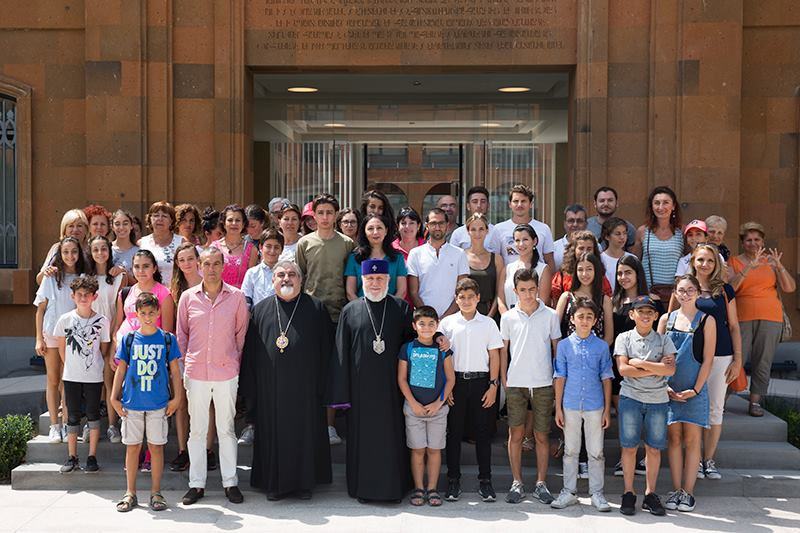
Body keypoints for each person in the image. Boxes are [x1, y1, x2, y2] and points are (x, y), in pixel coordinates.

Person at [241, 261, 333, 500]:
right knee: (273, 436)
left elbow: (327, 351)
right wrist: (251, 391)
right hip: (270, 389)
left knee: (304, 435)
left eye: (292, 274)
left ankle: (304, 484)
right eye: (280, 275)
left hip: (306, 389)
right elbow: (251, 353)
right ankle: (274, 485)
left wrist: (324, 386)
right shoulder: (260, 310)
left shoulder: (316, 308)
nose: (286, 279)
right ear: (272, 280)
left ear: (301, 280)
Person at [328, 259, 417, 502]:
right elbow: (340, 354)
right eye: (370, 279)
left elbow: (415, 344)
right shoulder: (350, 310)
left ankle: (394, 488)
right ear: (362, 281)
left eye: (380, 279)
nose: (375, 283)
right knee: (363, 441)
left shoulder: (401, 308)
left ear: (388, 280)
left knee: (392, 439)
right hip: (360, 391)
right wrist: (342, 394)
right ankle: (362, 488)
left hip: (393, 390)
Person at [178, 247, 248, 506]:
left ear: (223, 266)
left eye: (216, 264)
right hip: (196, 372)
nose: (211, 269)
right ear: (200, 266)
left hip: (226, 372)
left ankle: (230, 482)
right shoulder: (188, 297)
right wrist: (186, 365)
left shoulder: (237, 297)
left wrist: (233, 363)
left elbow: (241, 336)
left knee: (226, 429)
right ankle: (196, 485)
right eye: (206, 264)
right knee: (197, 430)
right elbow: (181, 335)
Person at [110, 292, 183, 512]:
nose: (148, 317)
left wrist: (177, 397)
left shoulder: (167, 339)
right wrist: (114, 397)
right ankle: (130, 492)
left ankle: (156, 492)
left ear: (159, 312)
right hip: (132, 402)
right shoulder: (129, 339)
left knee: (156, 447)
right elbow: (121, 370)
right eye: (143, 313)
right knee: (132, 448)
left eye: (151, 312)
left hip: (158, 403)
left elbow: (175, 371)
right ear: (136, 314)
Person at [500, 268, 561, 505]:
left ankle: (540, 483)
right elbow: (503, 350)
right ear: (515, 291)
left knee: (541, 435)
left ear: (538, 288)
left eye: (532, 289)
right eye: (523, 290)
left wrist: (556, 377)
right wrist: (503, 378)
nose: (528, 294)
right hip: (516, 382)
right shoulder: (508, 317)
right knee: (515, 434)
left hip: (543, 382)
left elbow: (556, 348)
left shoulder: (550, 315)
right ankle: (517, 482)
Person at [439, 278, 504, 503]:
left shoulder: (488, 324)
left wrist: (494, 385)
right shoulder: (447, 324)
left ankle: (485, 481)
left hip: (481, 383)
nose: (466, 301)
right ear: (456, 299)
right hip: (455, 381)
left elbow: (494, 355)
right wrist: (447, 387)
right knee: (454, 433)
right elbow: (442, 357)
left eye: (470, 297)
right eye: (462, 297)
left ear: (478, 298)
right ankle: (453, 480)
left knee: (483, 434)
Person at [658, 275, 716, 513]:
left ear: (698, 293)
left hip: (695, 390)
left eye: (691, 290)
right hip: (669, 390)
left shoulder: (707, 320)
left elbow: (708, 359)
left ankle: (688, 492)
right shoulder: (666, 319)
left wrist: (696, 389)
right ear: (675, 293)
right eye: (681, 290)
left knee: (692, 441)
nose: (686, 294)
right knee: (673, 439)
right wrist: (665, 386)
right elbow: (658, 355)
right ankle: (676, 489)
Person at [615, 296, 676, 516]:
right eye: (641, 311)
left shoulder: (663, 340)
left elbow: (670, 370)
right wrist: (656, 367)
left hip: (658, 400)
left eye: (650, 312)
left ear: (656, 315)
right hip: (631, 398)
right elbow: (623, 370)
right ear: (632, 314)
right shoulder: (624, 338)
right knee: (629, 447)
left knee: (654, 448)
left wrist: (640, 364)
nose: (645, 315)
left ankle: (650, 494)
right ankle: (628, 492)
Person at [551, 298, 613, 511]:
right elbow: (560, 376)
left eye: (589, 317)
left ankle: (597, 493)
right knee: (571, 450)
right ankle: (569, 491)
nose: (584, 321)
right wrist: (558, 407)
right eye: (580, 316)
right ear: (572, 319)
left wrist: (607, 409)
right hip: (570, 404)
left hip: (595, 405)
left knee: (596, 451)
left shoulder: (602, 347)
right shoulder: (564, 346)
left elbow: (606, 378)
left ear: (595, 320)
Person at [729, 222, 796, 416]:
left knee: (763, 361)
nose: (753, 243)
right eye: (748, 240)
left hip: (771, 317)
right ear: (742, 242)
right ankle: (721, 399)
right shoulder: (734, 262)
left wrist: (779, 266)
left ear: (763, 241)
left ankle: (755, 402)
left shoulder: (771, 262)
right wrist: (749, 268)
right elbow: (730, 288)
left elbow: (790, 288)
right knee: (736, 359)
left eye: (757, 239)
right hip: (742, 317)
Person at [688, 244, 742, 479]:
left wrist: (738, 359)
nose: (705, 264)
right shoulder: (685, 287)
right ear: (693, 261)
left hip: (721, 355)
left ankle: (707, 460)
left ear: (716, 264)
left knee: (715, 409)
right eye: (701, 260)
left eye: (710, 260)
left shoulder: (725, 290)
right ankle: (693, 460)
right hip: (692, 356)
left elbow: (734, 326)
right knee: (692, 408)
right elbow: (672, 320)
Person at [610, 255, 664, 476]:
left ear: (637, 274)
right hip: (621, 363)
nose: (623, 277)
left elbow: (660, 333)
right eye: (620, 273)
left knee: (647, 415)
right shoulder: (614, 301)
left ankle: (646, 458)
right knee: (626, 416)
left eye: (628, 272)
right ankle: (625, 459)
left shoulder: (652, 300)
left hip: (648, 363)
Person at [397, 305, 456, 507]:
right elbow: (401, 379)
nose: (427, 328)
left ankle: (432, 488)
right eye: (422, 324)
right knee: (417, 450)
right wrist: (413, 403)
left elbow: (451, 379)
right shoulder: (407, 348)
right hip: (413, 410)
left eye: (431, 324)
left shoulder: (442, 350)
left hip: (437, 410)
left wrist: (439, 402)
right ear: (414, 326)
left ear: (437, 325)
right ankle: (418, 488)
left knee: (434, 449)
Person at [54, 276, 110, 473]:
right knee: (73, 416)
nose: (83, 298)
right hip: (71, 376)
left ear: (95, 296)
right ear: (73, 296)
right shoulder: (65, 319)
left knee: (93, 415)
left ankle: (92, 457)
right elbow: (62, 349)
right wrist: (72, 366)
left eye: (87, 294)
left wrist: (91, 364)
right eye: (79, 294)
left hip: (94, 377)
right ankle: (72, 457)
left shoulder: (102, 321)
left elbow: (103, 349)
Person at [34, 236, 85, 442]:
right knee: (53, 379)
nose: (70, 256)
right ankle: (54, 426)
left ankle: (67, 424)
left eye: (74, 251)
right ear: (60, 254)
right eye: (65, 252)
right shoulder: (51, 277)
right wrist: (39, 338)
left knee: (68, 381)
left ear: (79, 253)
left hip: (73, 337)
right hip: (51, 334)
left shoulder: (82, 277)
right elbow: (40, 310)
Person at [168, 242, 203, 472]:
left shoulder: (207, 284)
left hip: (203, 351)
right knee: (181, 402)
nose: (187, 263)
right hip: (180, 353)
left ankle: (205, 450)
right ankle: (183, 450)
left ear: (198, 260)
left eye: (190, 259)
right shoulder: (174, 290)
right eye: (182, 260)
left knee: (204, 404)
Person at [86, 235, 125, 441]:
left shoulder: (118, 276)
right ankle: (90, 424)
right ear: (90, 253)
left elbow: (119, 310)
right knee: (92, 381)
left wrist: (113, 335)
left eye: (104, 249)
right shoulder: (86, 278)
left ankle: (112, 425)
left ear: (109, 252)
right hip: (90, 335)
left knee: (110, 381)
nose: (100, 253)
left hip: (111, 334)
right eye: (96, 249)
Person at [407, 208, 470, 318]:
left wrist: (445, 318)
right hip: (424, 321)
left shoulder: (459, 254)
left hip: (453, 319)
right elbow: (413, 292)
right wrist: (429, 318)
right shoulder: (415, 254)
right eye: (433, 223)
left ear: (447, 225)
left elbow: (462, 291)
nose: (437, 227)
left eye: (441, 223)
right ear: (427, 226)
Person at [633, 186, 683, 300]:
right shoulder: (642, 231)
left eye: (666, 202)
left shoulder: (682, 232)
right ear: (651, 206)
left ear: (673, 206)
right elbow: (635, 264)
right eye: (656, 203)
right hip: (648, 294)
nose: (661, 207)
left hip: (676, 296)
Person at [494, 184, 556, 273]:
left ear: (531, 204)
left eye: (523, 201)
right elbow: (496, 261)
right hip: (509, 278)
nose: (519, 205)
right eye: (515, 201)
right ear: (509, 204)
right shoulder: (498, 229)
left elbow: (549, 260)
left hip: (538, 278)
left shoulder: (544, 229)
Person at [555, 253, 614, 345]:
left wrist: (597, 352)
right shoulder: (566, 297)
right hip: (569, 351)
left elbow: (609, 337)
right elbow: (555, 331)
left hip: (597, 352)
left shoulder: (605, 300)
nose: (584, 274)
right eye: (580, 270)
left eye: (589, 269)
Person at [346, 214, 407, 301]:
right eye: (370, 228)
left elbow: (402, 291)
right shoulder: (355, 257)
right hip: (361, 307)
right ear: (364, 232)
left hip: (391, 307)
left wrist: (392, 307)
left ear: (386, 231)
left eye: (379, 228)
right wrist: (360, 307)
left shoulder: (397, 257)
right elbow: (350, 292)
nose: (375, 232)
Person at [498, 224, 551, 313]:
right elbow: (500, 300)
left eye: (525, 239)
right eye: (517, 240)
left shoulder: (543, 269)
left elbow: (543, 301)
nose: (521, 244)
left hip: (535, 318)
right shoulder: (507, 269)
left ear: (534, 241)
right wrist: (507, 317)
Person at [463, 213, 505, 320]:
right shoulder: (461, 257)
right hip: (466, 315)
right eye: (473, 229)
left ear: (487, 231)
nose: (477, 233)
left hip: (491, 314)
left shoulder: (497, 259)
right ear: (468, 231)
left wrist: (489, 316)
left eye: (481, 229)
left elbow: (499, 293)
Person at [551, 230, 612, 302]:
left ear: (594, 251)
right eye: (581, 248)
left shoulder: (600, 276)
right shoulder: (562, 276)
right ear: (574, 250)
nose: (585, 252)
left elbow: (607, 299)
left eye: (589, 249)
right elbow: (555, 302)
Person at [211, 204, 259, 289]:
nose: (234, 223)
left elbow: (251, 282)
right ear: (224, 223)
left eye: (237, 220)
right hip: (218, 294)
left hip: (242, 295)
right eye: (230, 220)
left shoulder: (251, 249)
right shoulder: (214, 247)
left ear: (243, 224)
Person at [138, 201, 185, 287]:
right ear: (150, 219)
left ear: (171, 221)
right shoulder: (141, 243)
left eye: (164, 216)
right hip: (148, 292)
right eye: (156, 215)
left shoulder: (181, 242)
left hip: (174, 291)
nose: (160, 219)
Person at [36, 209, 89, 285]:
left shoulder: (92, 250)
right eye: (71, 226)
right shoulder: (57, 248)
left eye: (79, 226)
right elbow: (39, 280)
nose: (75, 229)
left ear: (86, 229)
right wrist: (47, 272)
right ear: (64, 230)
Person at [241, 229, 284, 309]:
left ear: (281, 250)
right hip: (257, 315)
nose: (272, 251)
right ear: (261, 247)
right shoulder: (252, 273)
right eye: (268, 246)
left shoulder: (285, 274)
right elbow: (246, 301)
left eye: (276, 247)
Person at [449, 186, 500, 253]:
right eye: (475, 202)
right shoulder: (458, 233)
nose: (479, 205)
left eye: (483, 201)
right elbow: (452, 256)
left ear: (488, 205)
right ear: (468, 206)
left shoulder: (496, 232)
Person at [587, 186, 637, 250]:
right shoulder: (586, 226)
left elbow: (632, 252)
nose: (606, 204)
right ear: (595, 204)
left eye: (610, 200)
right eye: (602, 201)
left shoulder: (628, 227)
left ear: (617, 203)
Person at [600, 217, 634, 291]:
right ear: (607, 236)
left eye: (624, 233)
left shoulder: (632, 258)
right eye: (617, 234)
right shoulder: (600, 259)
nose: (622, 237)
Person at [553, 204, 588, 271]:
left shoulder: (594, 246)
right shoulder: (554, 248)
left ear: (586, 224)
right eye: (571, 221)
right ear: (564, 224)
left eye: (579, 221)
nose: (575, 224)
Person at [111, 209, 139, 285]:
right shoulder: (106, 249)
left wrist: (123, 271)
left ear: (131, 226)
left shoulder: (138, 252)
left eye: (125, 223)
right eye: (117, 224)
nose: (121, 227)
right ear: (112, 227)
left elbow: (139, 283)